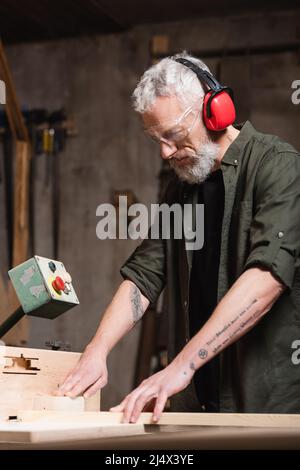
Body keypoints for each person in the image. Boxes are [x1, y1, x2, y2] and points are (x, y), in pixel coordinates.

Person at [57, 52, 300, 423]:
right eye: (156, 138)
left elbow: (266, 279)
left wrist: (181, 366)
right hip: (198, 407)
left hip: (266, 411)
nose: (165, 151)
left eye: (173, 135)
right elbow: (144, 275)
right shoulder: (182, 188)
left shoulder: (278, 166)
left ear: (213, 110)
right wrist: (96, 351)